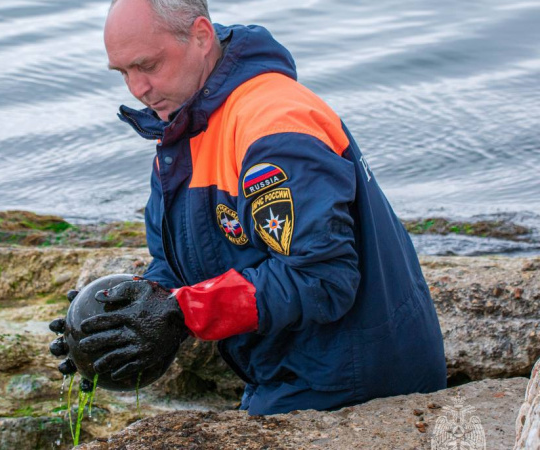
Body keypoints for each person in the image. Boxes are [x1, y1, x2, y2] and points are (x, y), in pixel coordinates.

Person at [50, 0, 447, 416]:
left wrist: (181, 314)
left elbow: (322, 277)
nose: (137, 88)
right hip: (286, 372)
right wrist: (125, 312)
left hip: (355, 381)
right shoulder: (185, 125)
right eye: (124, 72)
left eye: (147, 65)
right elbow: (176, 260)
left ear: (201, 37)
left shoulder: (273, 125)